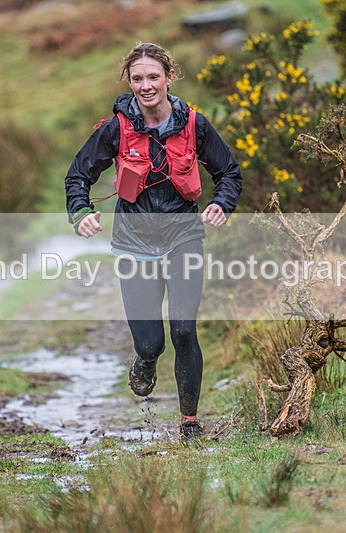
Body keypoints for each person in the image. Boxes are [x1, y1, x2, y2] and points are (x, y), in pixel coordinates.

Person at [65, 43, 242, 442]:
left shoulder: (194, 124)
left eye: (153, 77)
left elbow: (229, 172)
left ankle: (190, 422)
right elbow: (77, 176)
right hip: (134, 244)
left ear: (169, 78)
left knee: (183, 330)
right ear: (129, 83)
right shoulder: (115, 128)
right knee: (152, 343)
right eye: (137, 79)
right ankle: (144, 361)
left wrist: (221, 205)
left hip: (184, 238)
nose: (146, 86)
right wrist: (81, 213)